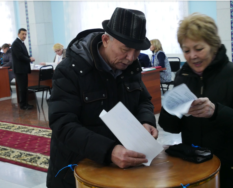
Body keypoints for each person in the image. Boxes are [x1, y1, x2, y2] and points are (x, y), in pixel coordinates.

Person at [47, 7, 157, 188]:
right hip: (75, 171)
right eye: (125, 49)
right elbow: (62, 123)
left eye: (136, 51)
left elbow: (143, 100)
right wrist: (108, 151)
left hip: (121, 170)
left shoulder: (130, 68)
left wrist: (146, 121)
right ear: (105, 40)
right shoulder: (71, 70)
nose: (130, 58)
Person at [158, 13, 233, 187]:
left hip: (226, 169)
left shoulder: (230, 75)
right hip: (192, 167)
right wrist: (173, 108)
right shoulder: (182, 77)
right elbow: (169, 127)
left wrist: (215, 112)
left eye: (199, 49)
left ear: (213, 46)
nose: (192, 56)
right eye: (186, 50)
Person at [12, 28, 35, 110]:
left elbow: (24, 54)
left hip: (23, 69)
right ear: (18, 34)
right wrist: (29, 59)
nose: (24, 36)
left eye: (25, 34)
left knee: (24, 87)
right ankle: (23, 105)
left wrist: (29, 57)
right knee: (22, 88)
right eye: (23, 34)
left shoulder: (21, 43)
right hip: (19, 70)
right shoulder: (15, 43)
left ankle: (26, 103)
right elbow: (19, 56)